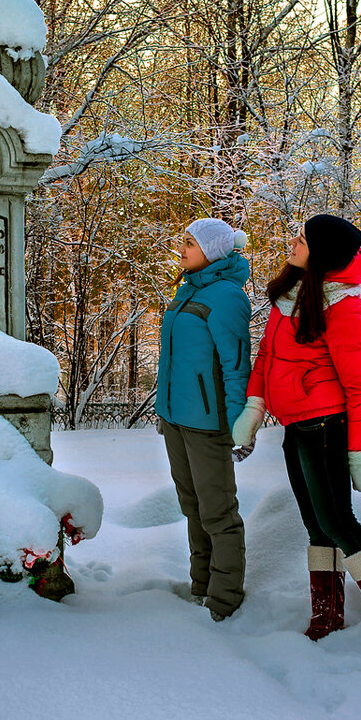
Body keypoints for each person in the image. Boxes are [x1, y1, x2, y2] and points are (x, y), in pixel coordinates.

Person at [232, 214, 361, 653]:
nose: (292, 241)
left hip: (325, 427)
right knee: (315, 524)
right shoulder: (291, 294)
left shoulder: (343, 305)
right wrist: (254, 406)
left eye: (301, 238)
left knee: (339, 522)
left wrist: (359, 454)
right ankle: (328, 614)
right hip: (295, 426)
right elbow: (266, 359)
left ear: (321, 254)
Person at [155, 218, 252, 622]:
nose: (182, 247)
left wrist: (239, 426)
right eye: (183, 241)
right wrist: (164, 411)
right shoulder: (186, 290)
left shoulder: (227, 296)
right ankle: (200, 587)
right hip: (177, 420)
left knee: (218, 512)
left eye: (190, 242)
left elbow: (236, 366)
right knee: (192, 506)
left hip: (209, 424)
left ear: (212, 250)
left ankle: (224, 600)